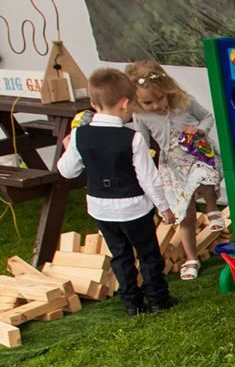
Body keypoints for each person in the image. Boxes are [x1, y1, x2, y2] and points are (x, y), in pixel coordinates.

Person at [58, 68, 177, 316]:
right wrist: (163, 207)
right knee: (148, 254)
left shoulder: (80, 134)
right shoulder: (132, 138)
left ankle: (132, 304)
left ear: (93, 103)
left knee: (120, 255)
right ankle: (158, 300)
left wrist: (68, 147)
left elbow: (67, 171)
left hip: (100, 207)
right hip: (133, 207)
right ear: (125, 104)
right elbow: (149, 178)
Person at [125, 60, 225, 281]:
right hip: (173, 167)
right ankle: (191, 258)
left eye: (160, 98)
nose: (155, 105)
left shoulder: (185, 102)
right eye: (148, 102)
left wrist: (199, 130)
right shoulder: (141, 115)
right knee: (185, 215)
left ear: (168, 88)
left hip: (198, 155)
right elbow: (141, 141)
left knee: (204, 176)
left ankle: (212, 209)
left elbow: (207, 116)